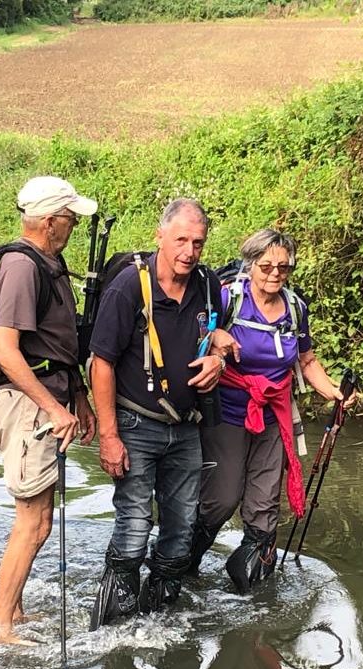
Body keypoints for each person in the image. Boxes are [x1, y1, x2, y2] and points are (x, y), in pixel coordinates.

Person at [89, 197, 237, 627]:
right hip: (135, 423)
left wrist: (218, 361)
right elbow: (102, 363)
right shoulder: (128, 287)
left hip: (186, 429)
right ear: (160, 237)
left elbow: (213, 334)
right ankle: (112, 627)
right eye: (181, 241)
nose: (189, 252)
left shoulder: (208, 285)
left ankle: (159, 622)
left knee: (180, 534)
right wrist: (109, 436)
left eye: (198, 243)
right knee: (134, 527)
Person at [189, 228, 354, 591]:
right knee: (222, 498)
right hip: (226, 413)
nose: (275, 274)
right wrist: (216, 341)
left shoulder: (295, 308)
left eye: (284, 267)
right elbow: (199, 341)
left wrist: (333, 394)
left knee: (264, 504)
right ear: (250, 265)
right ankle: (185, 563)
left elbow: (307, 361)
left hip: (274, 415)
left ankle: (250, 583)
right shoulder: (227, 298)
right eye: (266, 266)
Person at [0, 176, 98, 645]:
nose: (73, 226)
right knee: (32, 521)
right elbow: (4, 351)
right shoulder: (20, 266)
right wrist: (54, 407)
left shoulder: (48, 261)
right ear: (49, 221)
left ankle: (14, 611)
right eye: (70, 219)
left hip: (48, 402)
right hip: (29, 407)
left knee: (41, 520)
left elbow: (56, 343)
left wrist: (79, 398)